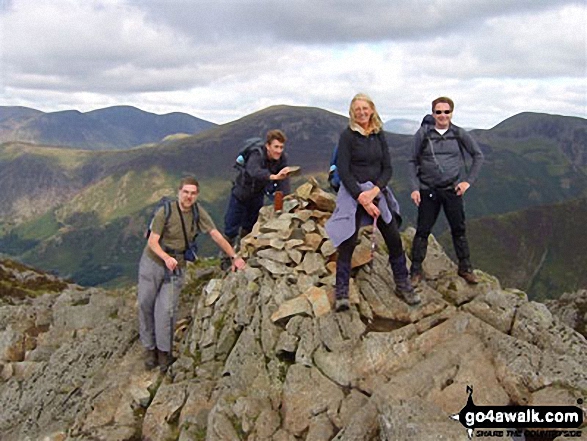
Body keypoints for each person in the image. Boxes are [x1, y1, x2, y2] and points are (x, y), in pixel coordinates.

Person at [138, 176, 245, 372]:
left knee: (166, 310)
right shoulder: (165, 211)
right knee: (146, 304)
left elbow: (215, 234)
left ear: (197, 195)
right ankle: (149, 348)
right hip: (153, 262)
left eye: (193, 193)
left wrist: (233, 256)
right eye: (186, 192)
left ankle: (164, 353)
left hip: (176, 267)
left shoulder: (198, 212)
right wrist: (165, 257)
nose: (189, 196)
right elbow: (152, 242)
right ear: (179, 192)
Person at [326, 93, 419, 312]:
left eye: (364, 108)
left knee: (394, 238)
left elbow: (388, 168)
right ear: (352, 112)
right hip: (353, 192)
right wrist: (362, 197)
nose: (361, 112)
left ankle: (402, 285)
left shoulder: (379, 135)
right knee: (347, 241)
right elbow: (344, 170)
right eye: (357, 109)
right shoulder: (347, 136)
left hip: (377, 191)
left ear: (372, 110)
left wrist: (375, 191)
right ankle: (341, 293)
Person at [408, 96, 484, 286]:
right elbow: (411, 161)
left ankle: (465, 268)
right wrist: (415, 188)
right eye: (438, 112)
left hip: (452, 190)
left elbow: (478, 155)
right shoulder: (423, 134)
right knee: (423, 230)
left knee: (458, 229)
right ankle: (415, 271)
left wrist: (468, 182)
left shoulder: (459, 133)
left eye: (446, 112)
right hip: (428, 190)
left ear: (452, 113)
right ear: (433, 113)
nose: (442, 115)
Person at [223, 129, 291, 250]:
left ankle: (243, 252)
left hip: (257, 196)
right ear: (267, 146)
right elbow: (254, 171)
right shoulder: (257, 154)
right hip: (240, 194)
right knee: (231, 228)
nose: (279, 151)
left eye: (281, 147)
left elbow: (284, 181)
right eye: (276, 147)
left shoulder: (282, 159)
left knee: (250, 227)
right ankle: (225, 258)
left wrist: (286, 199)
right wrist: (273, 177)